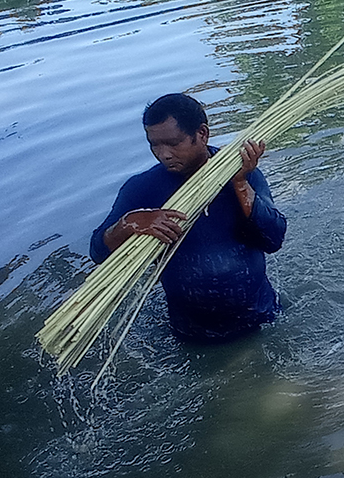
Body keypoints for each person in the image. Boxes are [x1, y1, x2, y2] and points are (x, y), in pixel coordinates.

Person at [90, 94, 287, 341]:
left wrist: (240, 184)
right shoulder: (142, 190)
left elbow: (274, 239)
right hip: (192, 333)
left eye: (173, 143)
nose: (164, 154)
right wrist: (130, 223)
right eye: (154, 145)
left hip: (263, 318)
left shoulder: (242, 172)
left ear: (202, 133)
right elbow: (98, 253)